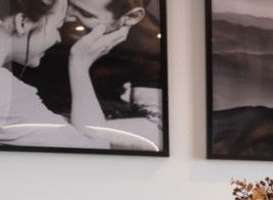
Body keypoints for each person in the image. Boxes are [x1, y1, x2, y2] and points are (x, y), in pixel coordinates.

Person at [0, 0, 131, 149]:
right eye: (57, 27)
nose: (58, 38)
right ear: (23, 22)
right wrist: (80, 64)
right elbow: (96, 147)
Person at [18, 0, 164, 150]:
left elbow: (155, 127)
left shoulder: (152, 43)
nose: (66, 16)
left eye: (85, 13)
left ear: (132, 17)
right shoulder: (38, 14)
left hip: (96, 115)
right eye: (68, 2)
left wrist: (79, 63)